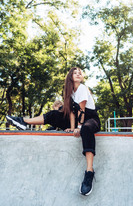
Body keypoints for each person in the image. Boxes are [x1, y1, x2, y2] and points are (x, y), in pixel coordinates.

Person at [6, 67, 101, 196]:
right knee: (55, 114)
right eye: (75, 73)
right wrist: (73, 127)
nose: (78, 74)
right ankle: (24, 122)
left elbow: (81, 110)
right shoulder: (70, 93)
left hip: (91, 119)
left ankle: (89, 172)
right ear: (70, 77)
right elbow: (72, 113)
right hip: (79, 119)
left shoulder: (82, 89)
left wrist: (78, 127)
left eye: (80, 73)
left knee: (86, 129)